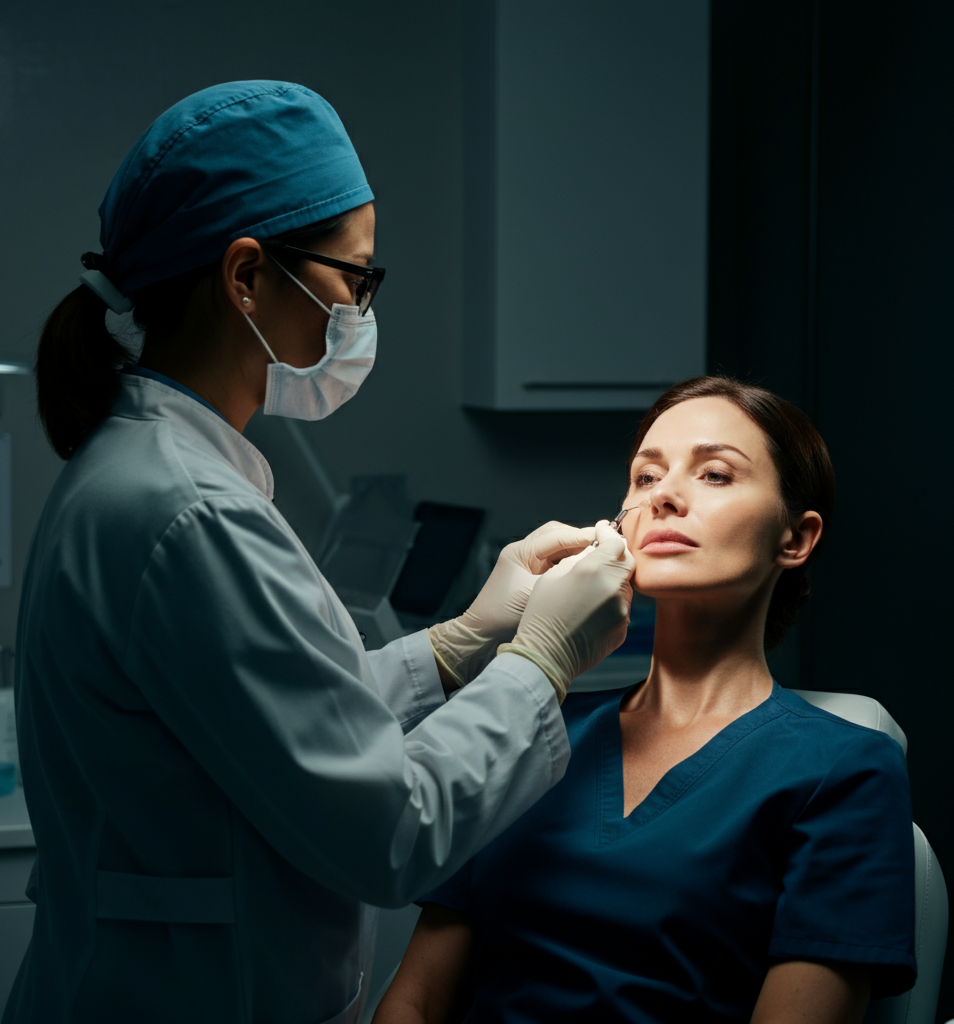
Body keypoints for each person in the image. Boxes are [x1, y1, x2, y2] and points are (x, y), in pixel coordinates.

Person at [4, 81, 636, 1024]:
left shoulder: (157, 475)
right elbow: (391, 829)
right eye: (354, 278)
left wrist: (460, 643)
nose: (360, 309)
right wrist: (539, 662)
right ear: (246, 276)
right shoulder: (187, 512)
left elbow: (283, 723)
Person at [375, 376, 916, 1024]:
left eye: (715, 474)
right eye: (645, 477)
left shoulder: (845, 771)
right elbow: (415, 999)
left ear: (795, 539)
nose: (664, 497)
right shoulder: (527, 726)